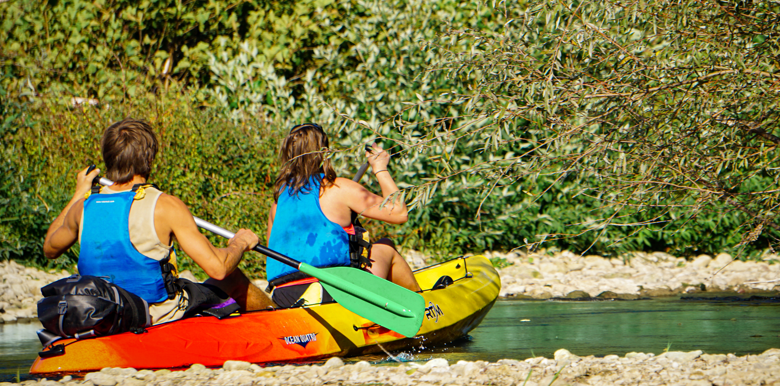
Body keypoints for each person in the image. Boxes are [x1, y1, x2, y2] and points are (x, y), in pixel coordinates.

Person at [43, 118, 276, 325]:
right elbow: (218, 269)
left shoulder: (82, 207)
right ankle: (282, 327)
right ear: (149, 158)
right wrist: (240, 243)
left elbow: (49, 248)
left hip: (103, 311)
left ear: (108, 159)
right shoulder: (166, 206)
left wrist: (78, 192)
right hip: (156, 314)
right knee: (233, 278)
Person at [266, 123, 421, 308]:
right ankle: (424, 306)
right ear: (324, 153)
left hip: (284, 297)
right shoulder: (338, 188)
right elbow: (399, 212)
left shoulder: (277, 206)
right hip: (333, 292)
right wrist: (380, 168)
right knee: (385, 247)